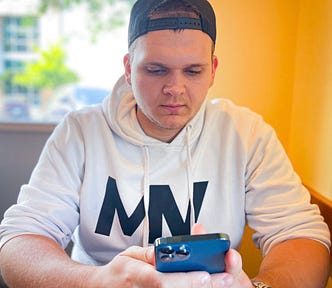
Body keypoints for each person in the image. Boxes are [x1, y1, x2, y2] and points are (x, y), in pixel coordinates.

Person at [0, 0, 330, 287]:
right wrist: (98, 282)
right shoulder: (80, 132)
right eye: (156, 70)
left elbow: (302, 235)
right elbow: (19, 241)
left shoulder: (246, 134)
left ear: (213, 71)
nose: (175, 88)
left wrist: (260, 287)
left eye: (193, 71)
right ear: (129, 69)